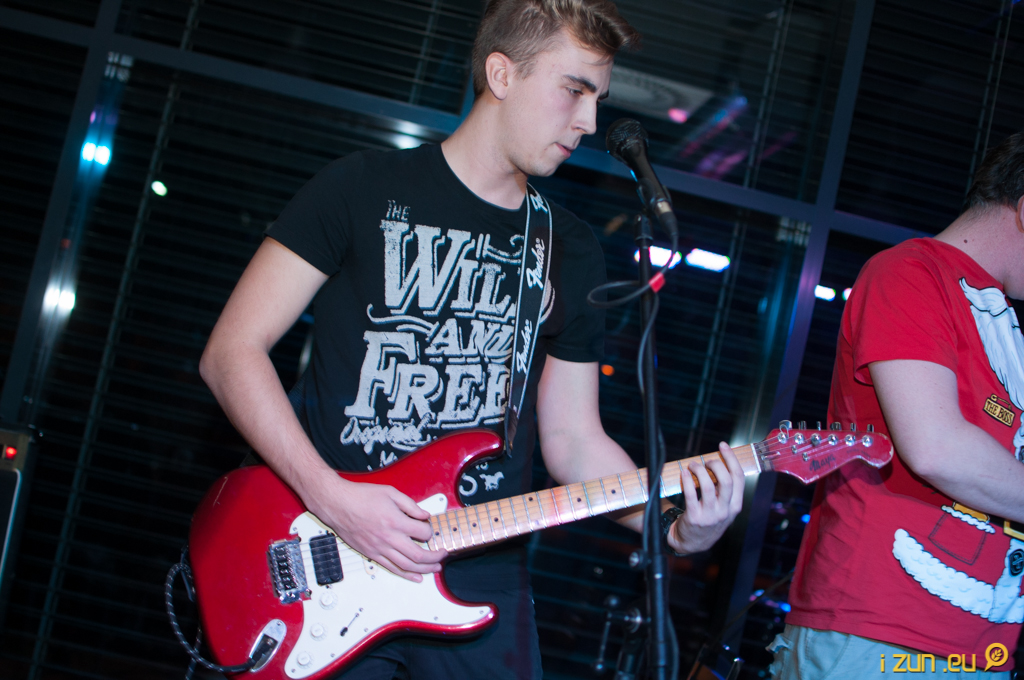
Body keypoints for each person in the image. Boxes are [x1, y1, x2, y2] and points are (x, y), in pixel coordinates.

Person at [199, 0, 746, 678]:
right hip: (327, 546)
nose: (588, 122)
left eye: (597, 100)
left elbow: (573, 440)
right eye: (574, 91)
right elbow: (232, 352)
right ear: (501, 74)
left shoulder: (569, 249)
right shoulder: (360, 187)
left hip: (479, 569)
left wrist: (673, 526)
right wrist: (330, 497)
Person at [770, 133, 1024, 679]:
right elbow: (937, 448)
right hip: (878, 630)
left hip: (980, 646)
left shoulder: (1003, 319)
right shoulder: (910, 272)